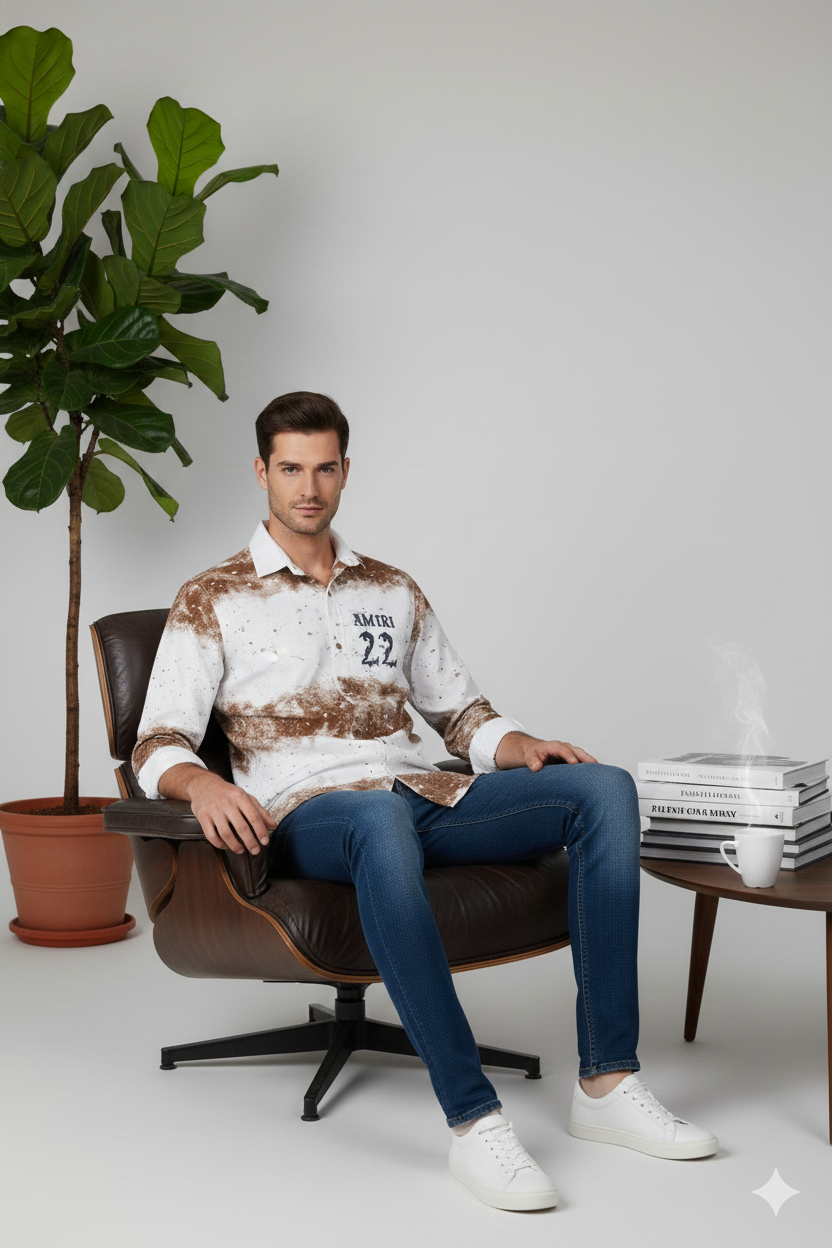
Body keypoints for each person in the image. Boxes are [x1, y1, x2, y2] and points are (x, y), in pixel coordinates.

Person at [133, 391, 718, 1212]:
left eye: (324, 469)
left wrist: (519, 744)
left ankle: (608, 1083)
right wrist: (200, 783)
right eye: (291, 469)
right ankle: (474, 1120)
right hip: (308, 815)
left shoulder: (391, 588)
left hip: (420, 795)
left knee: (604, 790)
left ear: (346, 471)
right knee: (376, 818)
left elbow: (461, 714)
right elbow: (156, 741)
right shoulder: (213, 596)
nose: (309, 488)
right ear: (262, 472)